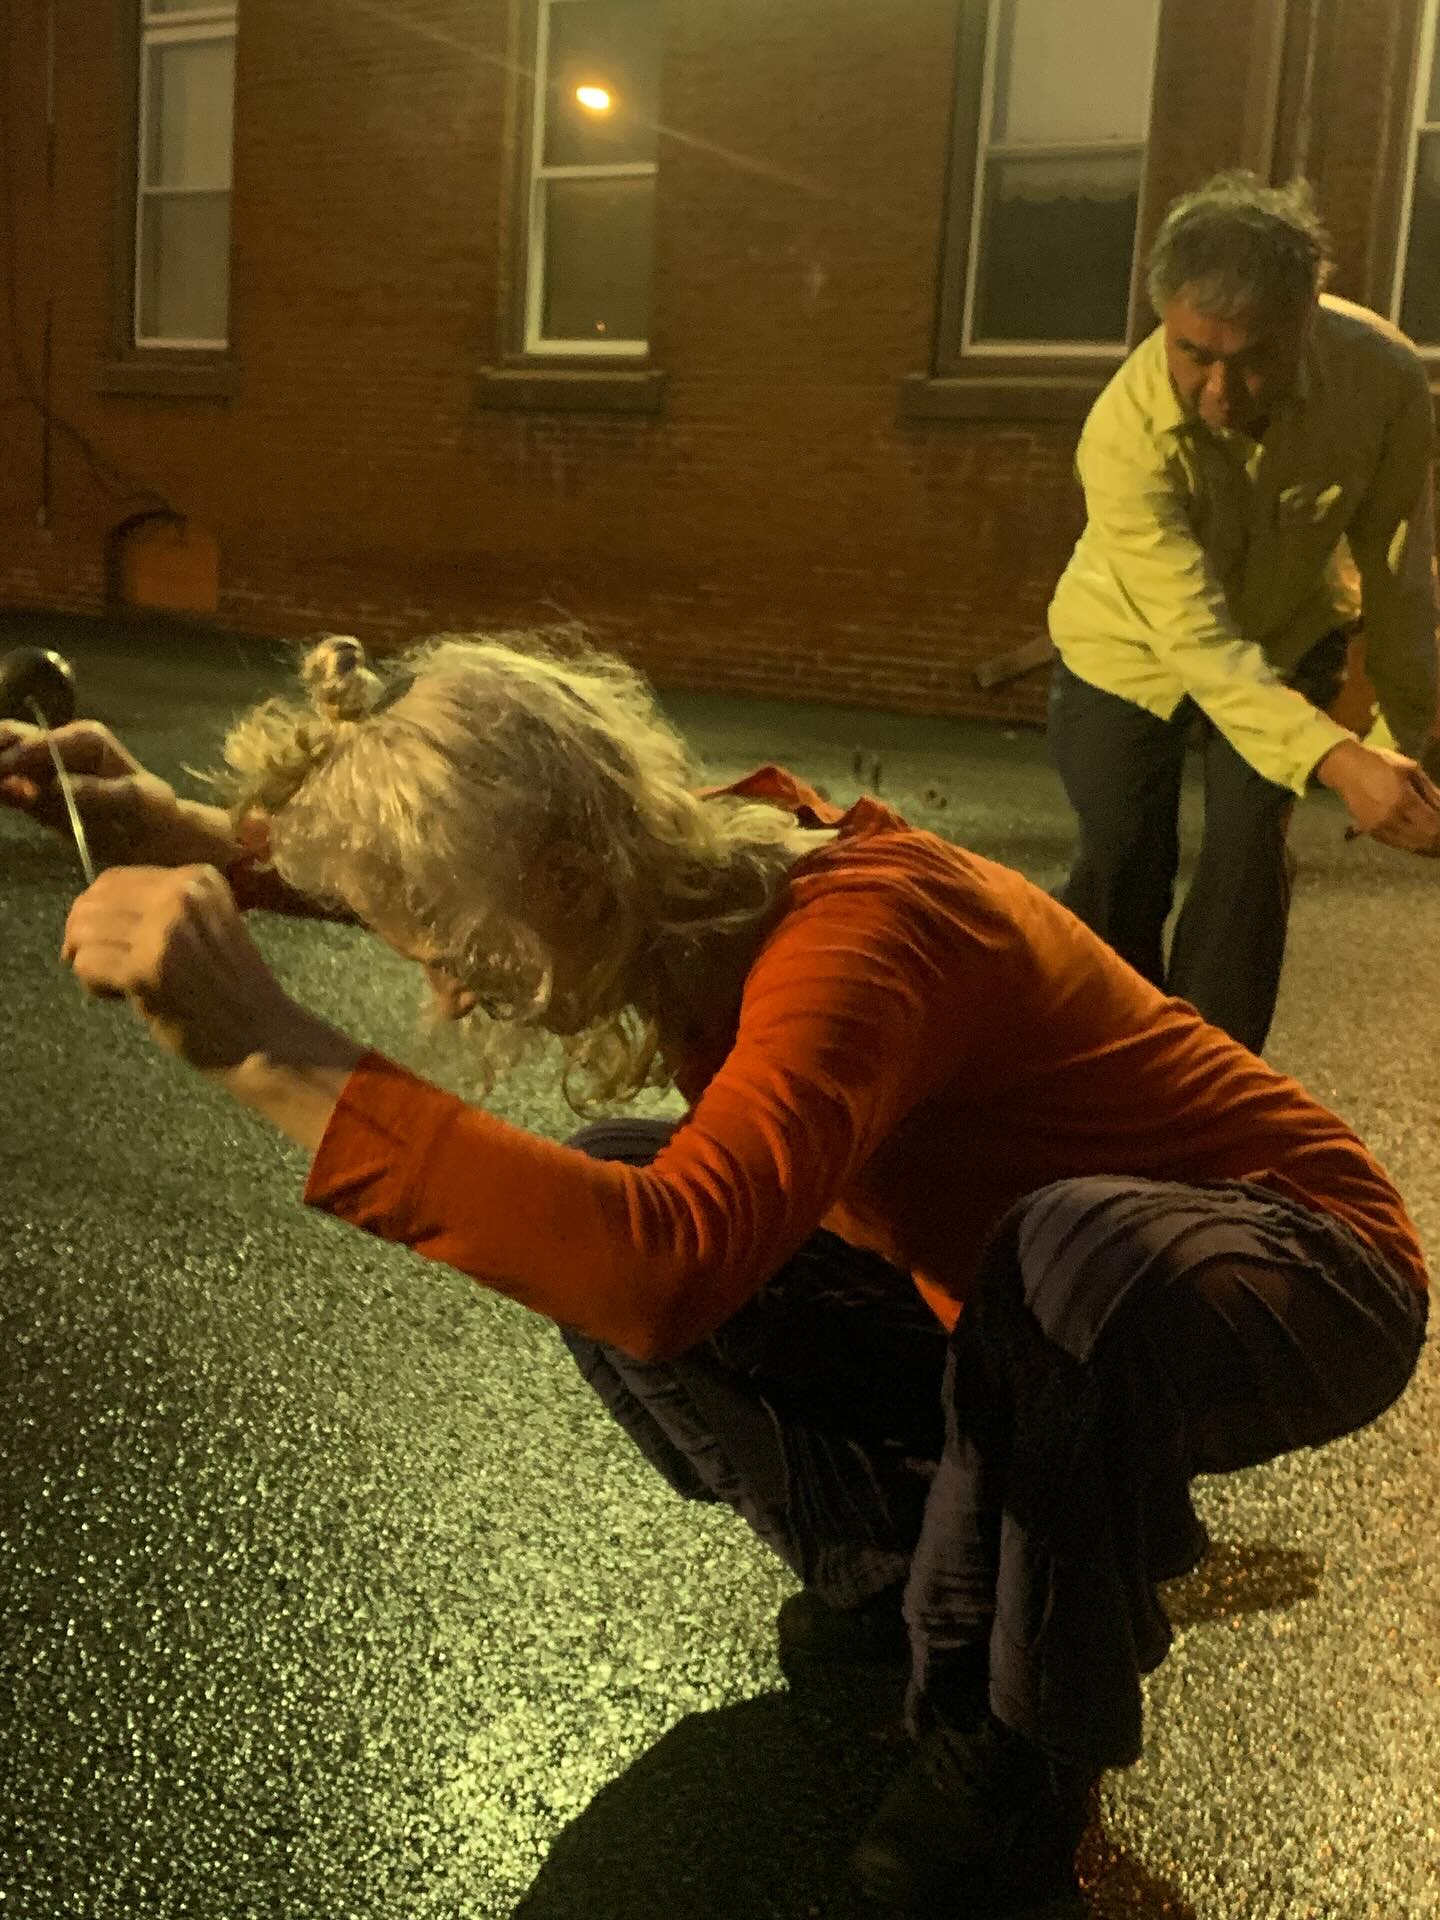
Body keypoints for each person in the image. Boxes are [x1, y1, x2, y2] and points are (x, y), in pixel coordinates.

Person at [0, 632, 1429, 1920]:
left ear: (563, 877)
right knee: (634, 1159)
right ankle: (898, 1580)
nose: (442, 989)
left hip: (1296, 1272)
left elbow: (664, 1271)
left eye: (453, 949)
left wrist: (274, 1050)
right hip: (1016, 1307)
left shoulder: (867, 936)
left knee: (1046, 1247)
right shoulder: (669, 868)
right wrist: (185, 829)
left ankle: (1013, 1754)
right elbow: (478, 898)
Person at [1048, 171, 1440, 1054]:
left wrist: (1404, 736)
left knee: (1245, 855)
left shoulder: (1380, 379)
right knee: (1121, 855)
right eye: (1194, 354)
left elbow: (1397, 567)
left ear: (1307, 318)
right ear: (1161, 320)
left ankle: (1213, 1084)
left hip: (1288, 629)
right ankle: (1099, 1069)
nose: (1222, 393)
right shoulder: (1124, 436)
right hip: (1130, 647)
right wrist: (1341, 761)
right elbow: (1199, 646)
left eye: (1252, 357)